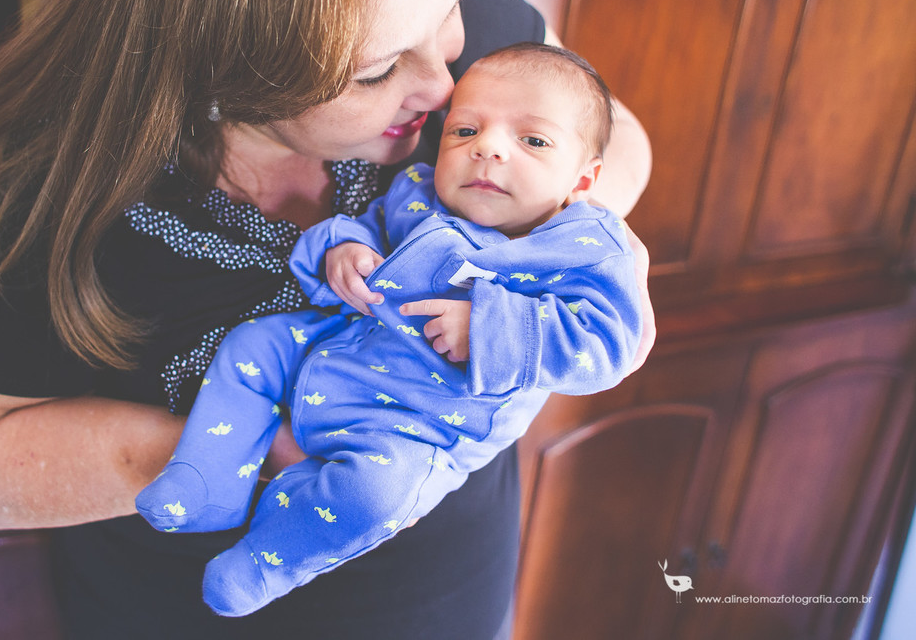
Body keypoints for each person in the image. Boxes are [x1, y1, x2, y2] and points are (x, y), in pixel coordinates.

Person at [0, 0, 655, 638]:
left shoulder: (418, 0)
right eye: (377, 70)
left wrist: (561, 249)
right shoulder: (29, 188)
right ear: (223, 63)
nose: (444, 84)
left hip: (457, 596)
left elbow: (611, 134)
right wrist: (240, 443)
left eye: (451, 7)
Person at [136, 42, 643, 616]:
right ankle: (207, 479)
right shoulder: (418, 193)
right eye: (465, 131)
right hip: (336, 348)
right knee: (252, 345)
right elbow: (362, 228)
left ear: (583, 181)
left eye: (533, 141)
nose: (488, 149)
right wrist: (344, 251)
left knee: (373, 497)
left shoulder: (583, 251)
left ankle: (263, 562)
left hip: (418, 427)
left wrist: (490, 330)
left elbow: (611, 344)